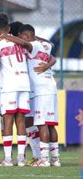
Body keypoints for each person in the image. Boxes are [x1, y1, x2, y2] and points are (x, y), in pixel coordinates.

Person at [16, 24, 61, 167]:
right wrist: (48, 65)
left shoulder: (33, 45)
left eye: (22, 36)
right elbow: (53, 58)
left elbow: (23, 43)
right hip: (51, 86)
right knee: (51, 125)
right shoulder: (46, 45)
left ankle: (44, 159)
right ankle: (55, 159)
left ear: (27, 36)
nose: (22, 40)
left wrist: (5, 36)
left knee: (42, 124)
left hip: (40, 89)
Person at [0, 17, 30, 167]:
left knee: (8, 120)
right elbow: (28, 45)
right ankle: (21, 158)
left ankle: (8, 158)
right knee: (21, 120)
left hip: (9, 86)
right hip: (24, 84)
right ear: (8, 28)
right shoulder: (18, 41)